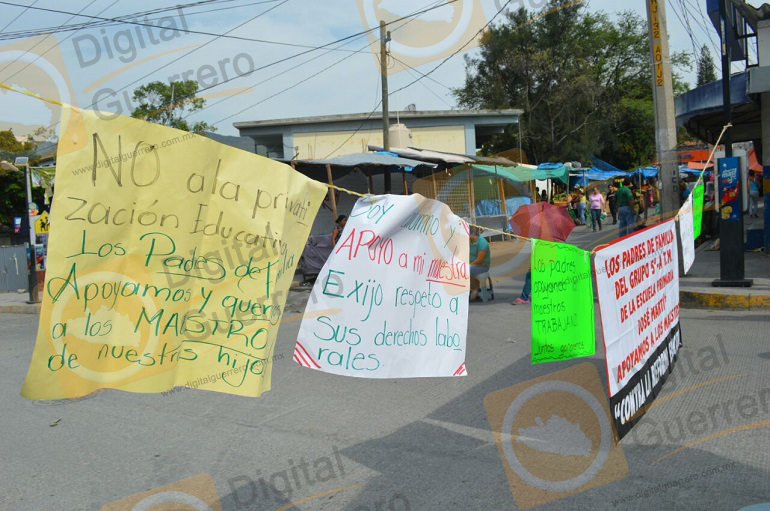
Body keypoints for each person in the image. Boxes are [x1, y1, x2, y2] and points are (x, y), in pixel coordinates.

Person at [468, 226, 491, 301]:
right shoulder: (469, 241)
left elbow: (479, 260)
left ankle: (475, 289)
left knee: (467, 270)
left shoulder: (482, 242)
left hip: (482, 266)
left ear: (472, 234)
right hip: (472, 265)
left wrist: (468, 265)